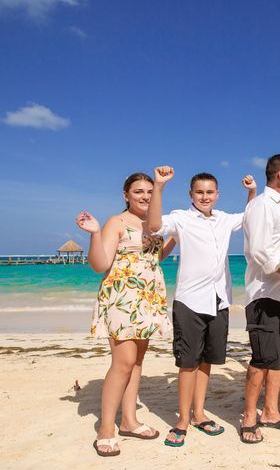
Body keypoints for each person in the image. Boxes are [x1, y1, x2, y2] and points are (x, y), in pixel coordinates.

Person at [146, 167, 257, 447]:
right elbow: (154, 225)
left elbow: (251, 219)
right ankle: (182, 419)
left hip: (219, 299)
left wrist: (252, 192)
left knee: (207, 361)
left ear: (217, 195)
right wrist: (158, 186)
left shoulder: (223, 219)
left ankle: (198, 413)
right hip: (189, 301)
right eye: (199, 192)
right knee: (188, 362)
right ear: (191, 194)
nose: (205, 197)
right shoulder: (181, 218)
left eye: (210, 192)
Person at [76, 172, 175, 457]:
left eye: (148, 191)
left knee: (137, 361)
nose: (144, 196)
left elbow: (154, 257)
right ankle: (106, 428)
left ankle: (129, 420)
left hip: (148, 298)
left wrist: (176, 239)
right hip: (122, 298)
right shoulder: (115, 223)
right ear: (126, 195)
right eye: (138, 191)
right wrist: (95, 233)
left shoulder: (155, 223)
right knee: (124, 362)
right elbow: (100, 264)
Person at [241, 153, 280, 444]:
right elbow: (259, 250)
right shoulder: (261, 206)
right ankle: (249, 417)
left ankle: (271, 411)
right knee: (262, 358)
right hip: (264, 294)